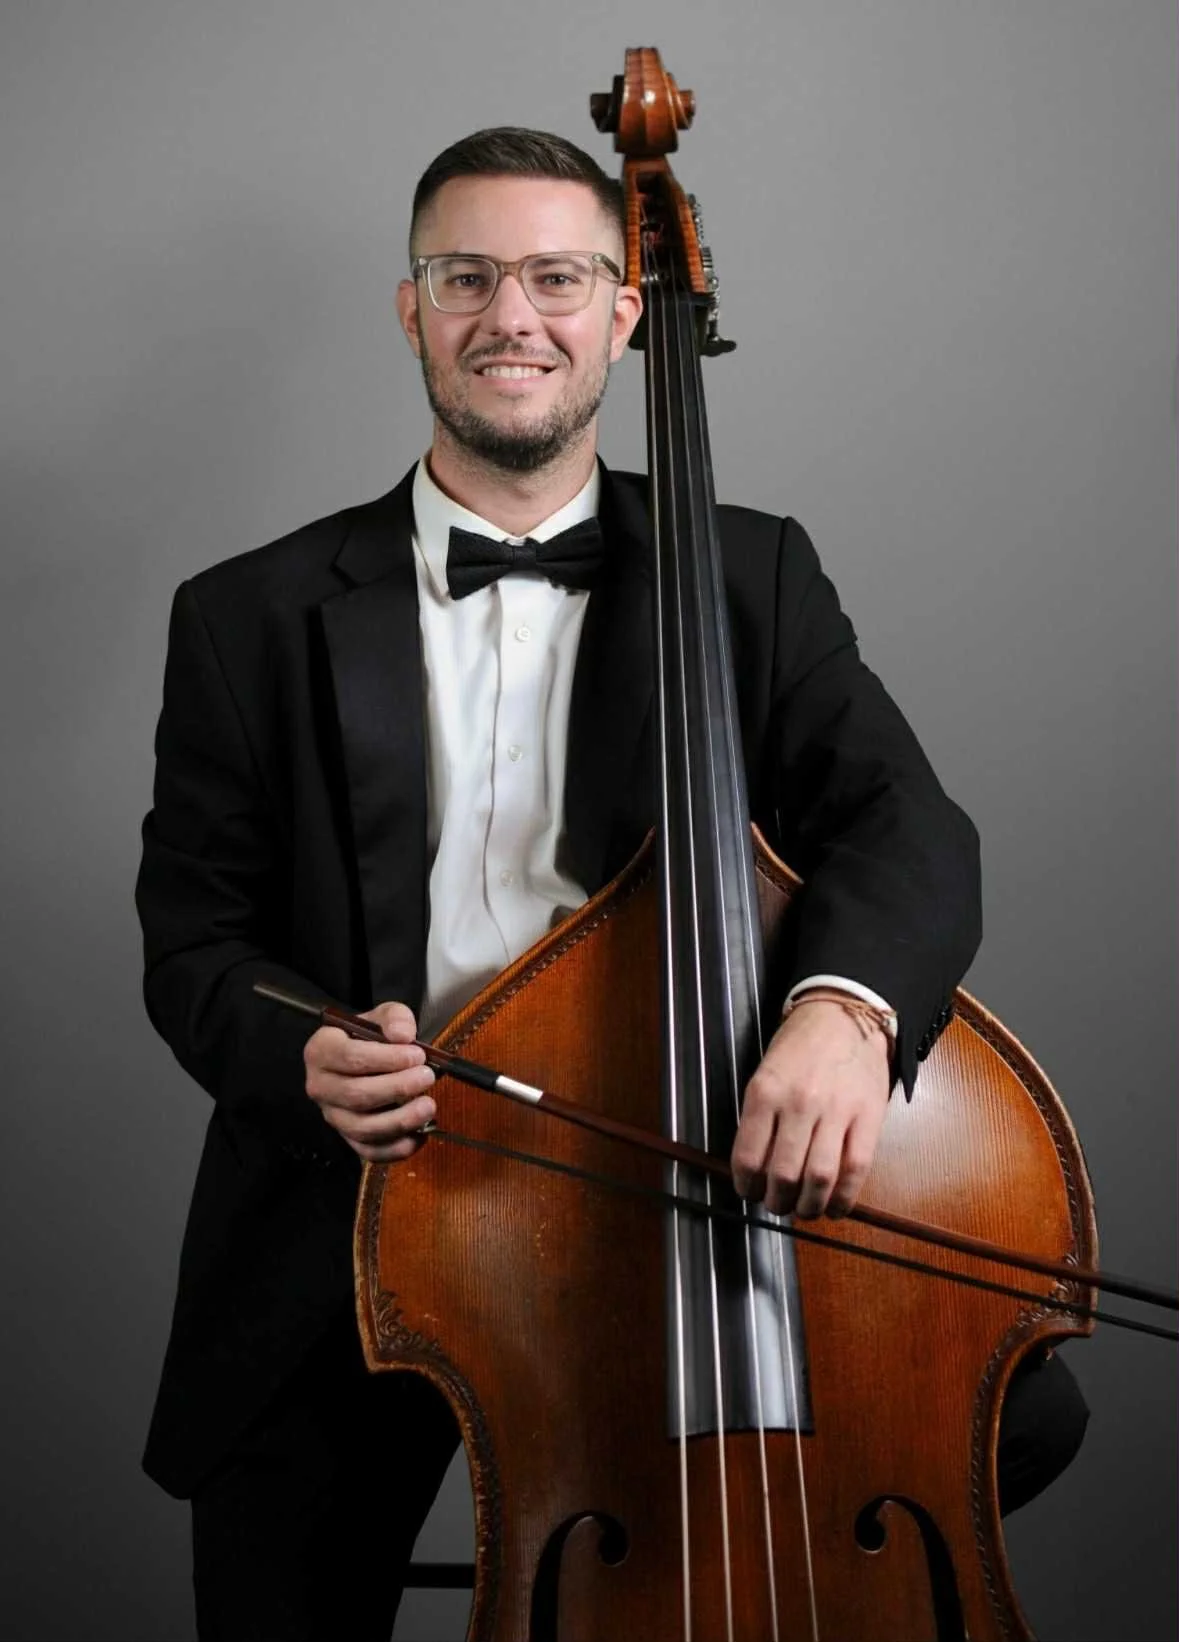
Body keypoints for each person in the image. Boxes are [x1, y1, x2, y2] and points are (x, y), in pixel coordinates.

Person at [137, 126, 1088, 1641]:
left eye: (557, 277)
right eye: (467, 277)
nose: (510, 317)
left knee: (983, 1424)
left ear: (627, 311)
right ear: (411, 308)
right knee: (275, 1581)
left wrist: (843, 1014)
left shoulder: (751, 574)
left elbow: (907, 824)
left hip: (677, 1180)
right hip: (363, 1205)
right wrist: (300, 1051)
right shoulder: (244, 613)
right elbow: (195, 938)